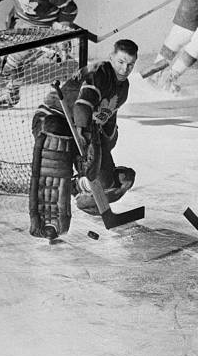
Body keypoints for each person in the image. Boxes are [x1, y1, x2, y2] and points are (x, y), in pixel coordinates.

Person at [28, 39, 138, 240]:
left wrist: (103, 151)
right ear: (112, 57)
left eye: (130, 64)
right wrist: (80, 135)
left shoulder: (123, 88)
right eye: (121, 61)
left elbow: (107, 119)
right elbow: (81, 107)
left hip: (86, 127)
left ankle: (76, 187)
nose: (125, 68)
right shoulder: (101, 73)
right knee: (56, 154)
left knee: (114, 183)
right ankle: (49, 221)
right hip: (54, 118)